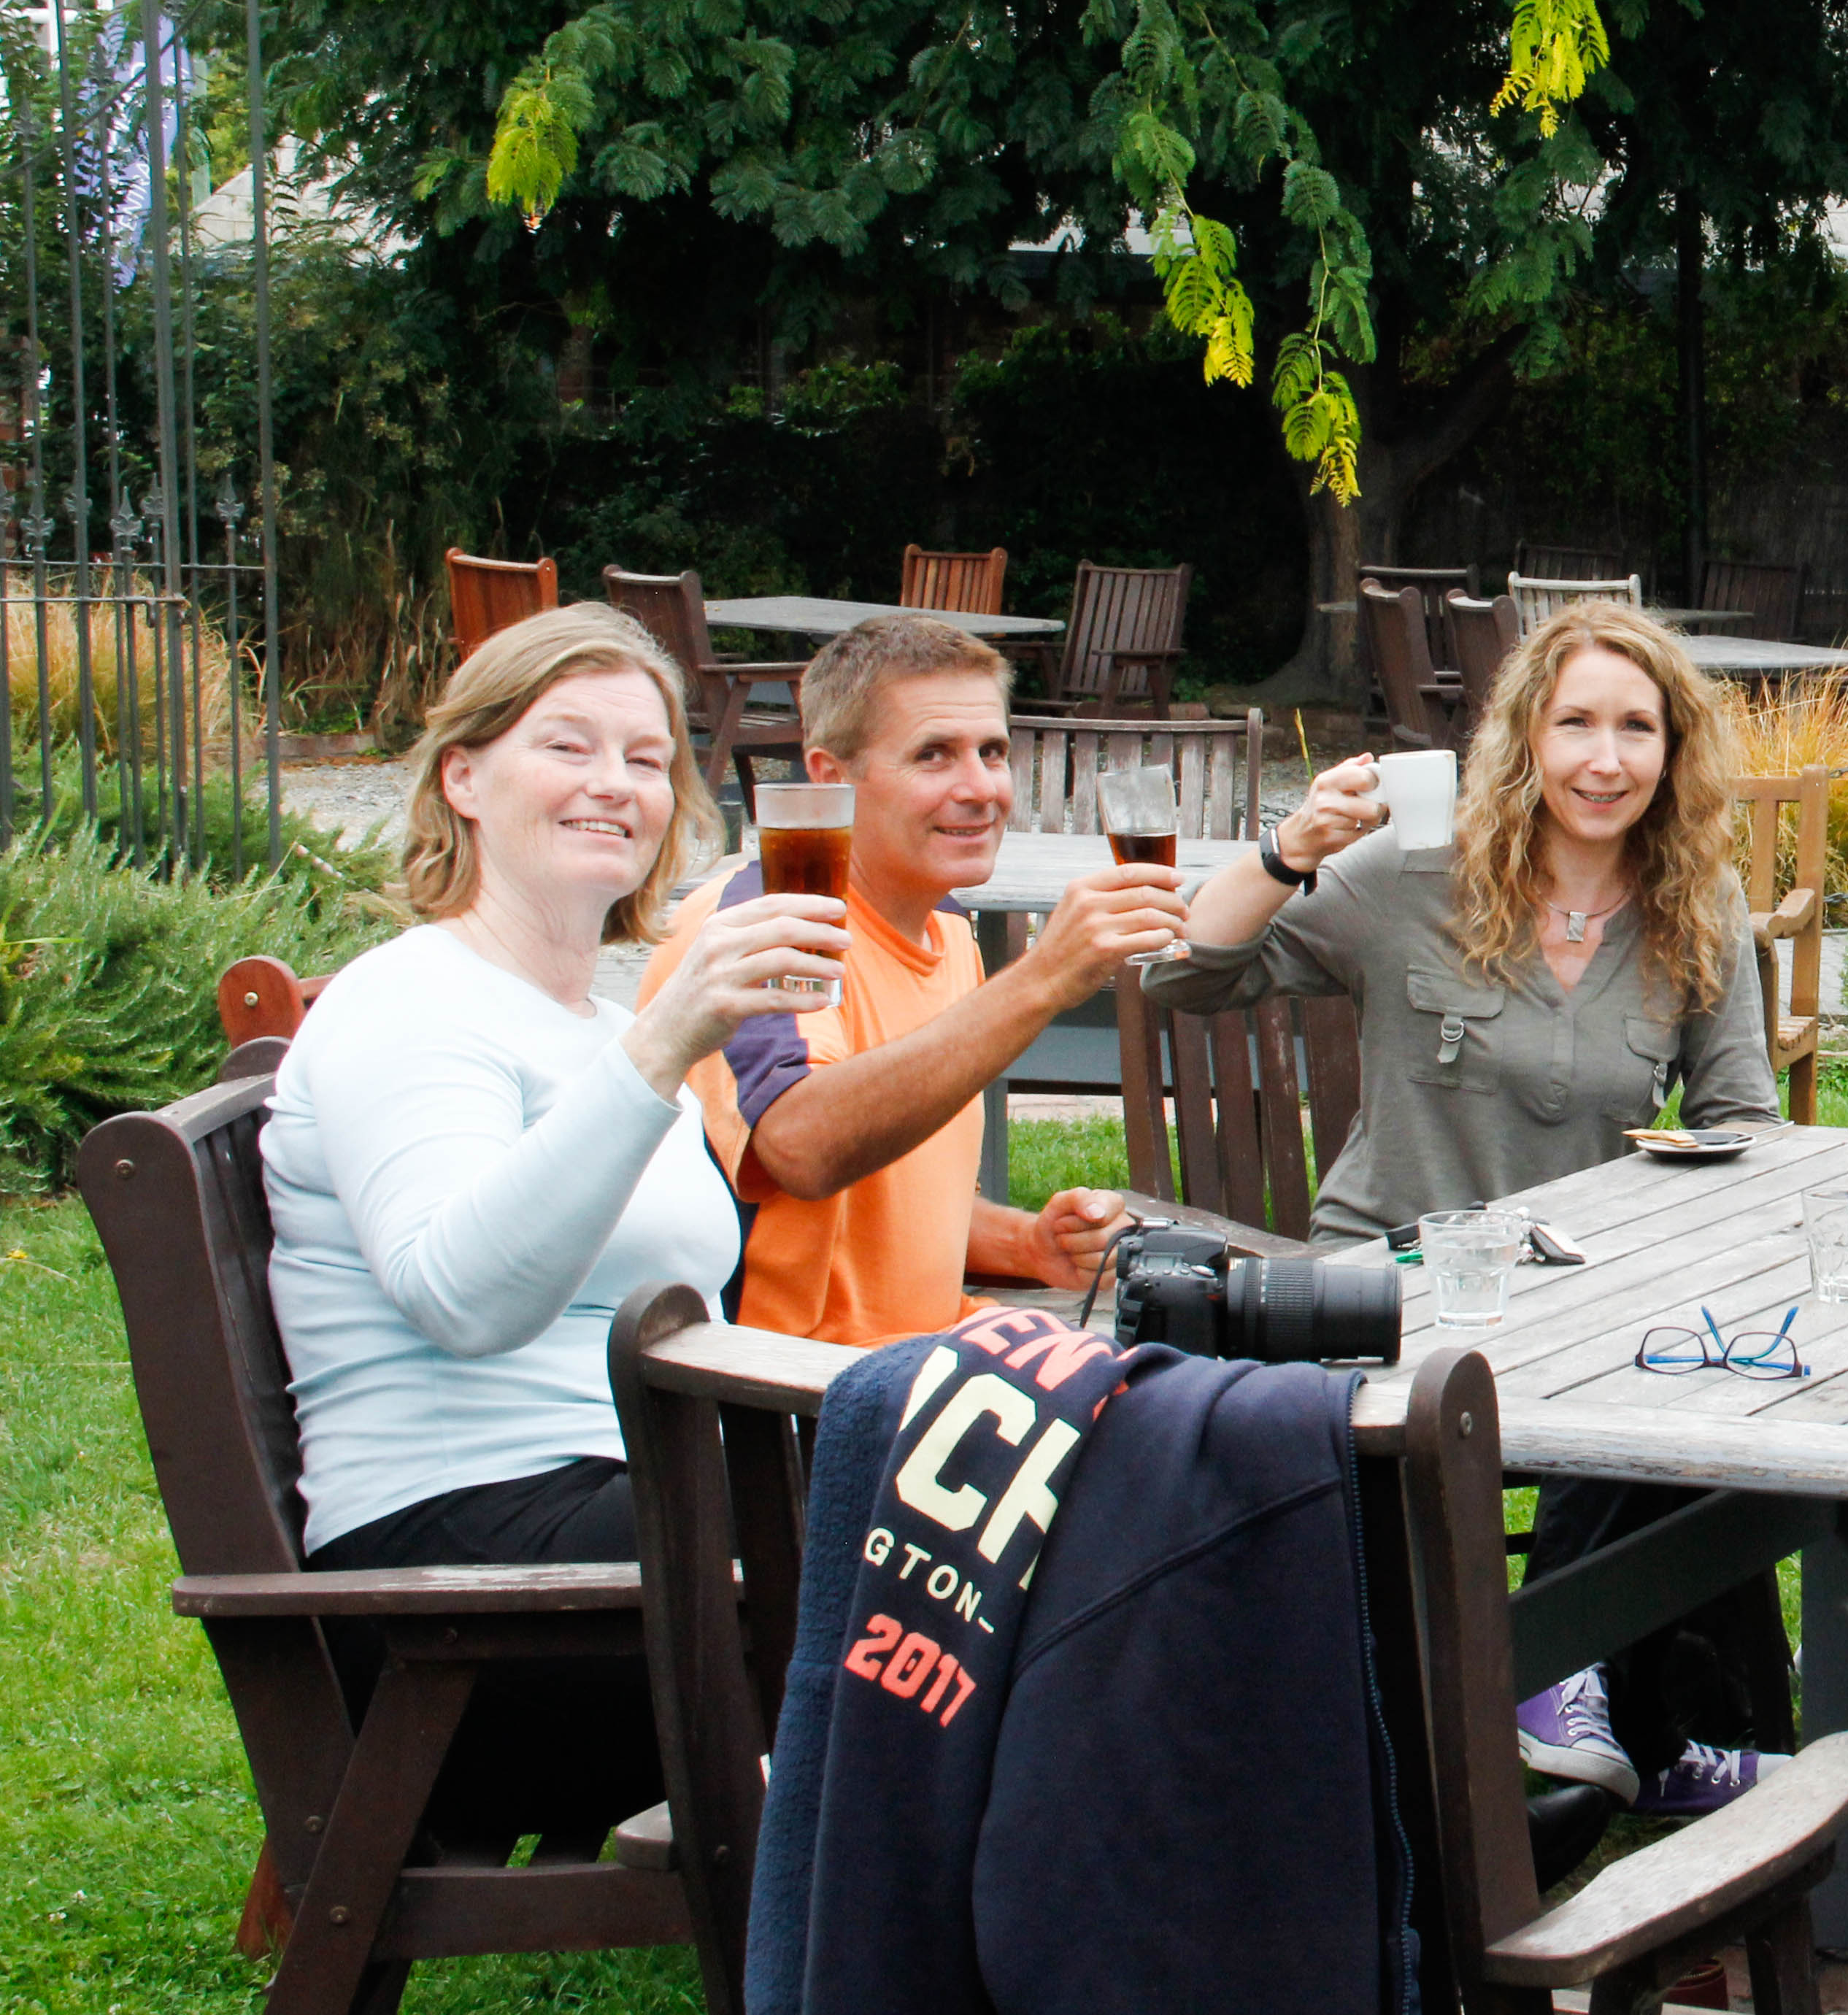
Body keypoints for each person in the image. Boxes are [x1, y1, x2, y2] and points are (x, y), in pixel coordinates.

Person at [1153, 598, 1788, 1818]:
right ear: (1525, 736)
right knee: (1620, 1397)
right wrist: (1289, 849)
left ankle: (1592, 1704)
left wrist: (1704, 1206)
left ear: (1673, 751)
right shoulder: (1408, 875)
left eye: (1636, 728)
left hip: (1581, 1291)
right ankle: (1585, 1700)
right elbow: (1189, 973)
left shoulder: (1696, 902)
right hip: (1391, 1287)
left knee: (1705, 1384)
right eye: (1576, 724)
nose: (1604, 759)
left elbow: (1741, 1120)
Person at [264, 606, 850, 1835]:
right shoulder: (411, 1002)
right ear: (463, 778)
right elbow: (462, 1298)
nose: (614, 783)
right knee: (965, 1543)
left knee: (999, 1474)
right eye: (567, 746)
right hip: (466, 1611)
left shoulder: (598, 1029)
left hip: (632, 1545)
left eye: (647, 759)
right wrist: (662, 1044)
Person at [637, 614, 1179, 1344]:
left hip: (930, 1357)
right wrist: (1042, 978)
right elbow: (800, 1148)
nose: (980, 788)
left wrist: (1027, 1244)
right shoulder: (767, 922)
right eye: (933, 755)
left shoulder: (947, 929)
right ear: (832, 776)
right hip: (793, 1385)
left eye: (992, 752)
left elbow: (886, 1204)